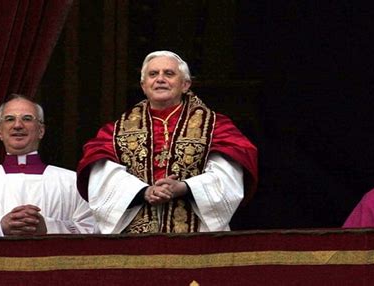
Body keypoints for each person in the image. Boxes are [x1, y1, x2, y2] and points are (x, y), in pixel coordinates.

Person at [77, 50, 258, 234]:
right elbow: (103, 177)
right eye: (153, 74)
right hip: (133, 237)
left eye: (169, 74)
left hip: (197, 236)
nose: (160, 79)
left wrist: (185, 187)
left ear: (185, 84)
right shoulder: (114, 131)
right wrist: (143, 192)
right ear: (143, 85)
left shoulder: (215, 126)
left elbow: (226, 176)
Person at [0, 94, 94, 236]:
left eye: (27, 118)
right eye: (9, 119)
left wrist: (48, 227)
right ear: (0, 132)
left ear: (41, 130)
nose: (17, 125)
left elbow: (93, 232)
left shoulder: (72, 182)